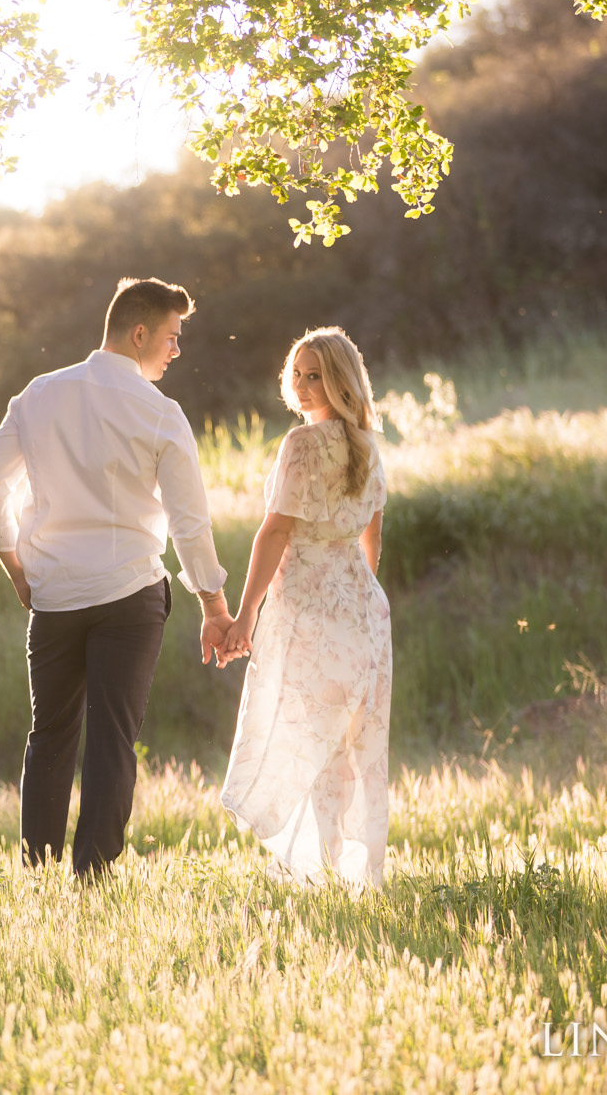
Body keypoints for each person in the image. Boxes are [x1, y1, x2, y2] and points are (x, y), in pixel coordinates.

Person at [0, 277, 233, 878]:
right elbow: (189, 525)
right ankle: (92, 880)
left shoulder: (37, 395)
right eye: (171, 337)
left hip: (54, 595)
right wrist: (215, 608)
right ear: (139, 333)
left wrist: (15, 566)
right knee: (112, 739)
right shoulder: (161, 414)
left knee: (51, 735)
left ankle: (37, 874)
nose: (175, 350)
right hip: (129, 596)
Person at [216, 326, 391, 889]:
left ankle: (320, 869)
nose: (303, 384)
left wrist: (244, 616)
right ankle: (335, 864)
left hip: (311, 605)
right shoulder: (368, 443)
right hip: (362, 609)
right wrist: (358, 595)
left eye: (316, 374)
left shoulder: (302, 444)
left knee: (306, 734)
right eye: (297, 373)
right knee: (343, 741)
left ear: (341, 380)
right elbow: (372, 541)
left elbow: (274, 533)